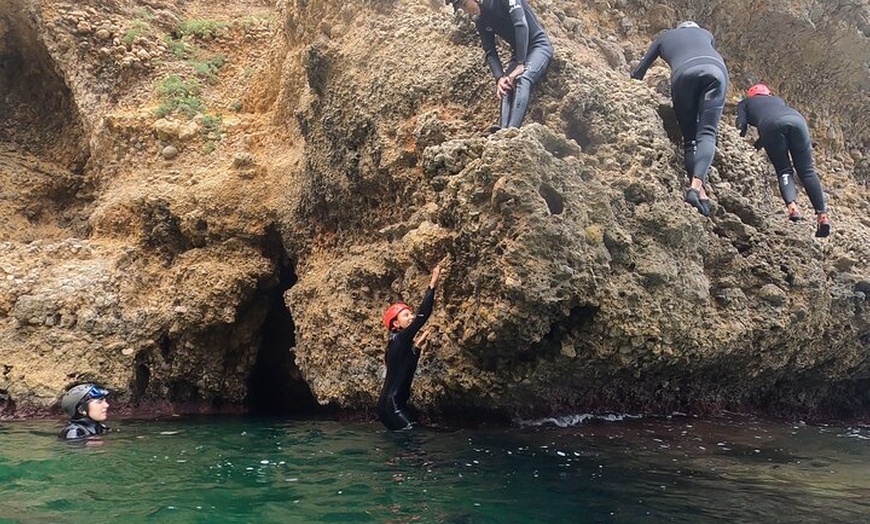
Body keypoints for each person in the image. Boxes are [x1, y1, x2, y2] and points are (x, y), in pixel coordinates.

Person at [631, 21, 729, 217]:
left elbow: (640, 71)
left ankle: (700, 193)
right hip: (715, 71)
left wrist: (630, 88)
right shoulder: (706, 33)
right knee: (707, 133)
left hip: (683, 74)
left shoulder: (665, 37)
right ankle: (696, 188)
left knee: (690, 140)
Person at [736, 83, 831, 237]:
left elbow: (743, 125)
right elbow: (776, 120)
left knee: (784, 170)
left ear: (750, 95)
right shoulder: (778, 101)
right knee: (807, 171)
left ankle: (793, 208)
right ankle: (822, 216)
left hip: (770, 126)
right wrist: (757, 146)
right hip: (797, 121)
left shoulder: (745, 103)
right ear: (768, 94)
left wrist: (738, 143)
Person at [448, 0, 553, 131]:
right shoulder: (480, 19)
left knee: (522, 79)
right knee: (506, 86)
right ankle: (503, 131)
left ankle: (512, 131)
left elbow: (521, 24)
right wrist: (499, 78)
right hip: (518, 53)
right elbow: (490, 51)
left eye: (465, 5)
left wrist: (520, 64)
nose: (466, 11)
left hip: (538, 45)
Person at [377, 264, 442, 431]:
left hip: (385, 408)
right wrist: (433, 283)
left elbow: (404, 366)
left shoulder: (395, 344)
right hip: (394, 407)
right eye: (406, 315)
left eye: (410, 313)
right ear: (396, 324)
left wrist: (418, 346)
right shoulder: (401, 338)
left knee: (407, 440)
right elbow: (422, 316)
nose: (411, 316)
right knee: (418, 435)